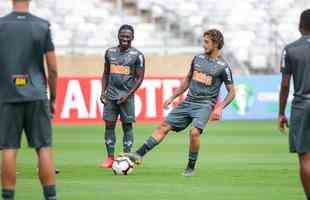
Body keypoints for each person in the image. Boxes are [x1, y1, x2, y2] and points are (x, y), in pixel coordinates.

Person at [126, 29, 235, 176]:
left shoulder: (223, 66)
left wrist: (219, 108)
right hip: (188, 101)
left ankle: (190, 167)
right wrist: (173, 97)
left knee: (194, 132)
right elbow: (188, 79)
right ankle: (138, 154)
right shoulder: (197, 59)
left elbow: (232, 92)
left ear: (216, 44)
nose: (203, 45)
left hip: (205, 104)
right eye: (204, 41)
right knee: (163, 126)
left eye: (206, 42)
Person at [0, 0, 58, 199]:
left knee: (8, 148)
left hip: (7, 95)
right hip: (36, 94)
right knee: (43, 147)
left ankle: (8, 197)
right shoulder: (42, 25)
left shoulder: (1, 26)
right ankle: (50, 197)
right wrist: (53, 99)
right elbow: (53, 69)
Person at [99, 24, 145, 168]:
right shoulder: (110, 52)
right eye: (122, 36)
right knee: (109, 125)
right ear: (118, 36)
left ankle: (126, 157)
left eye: (128, 36)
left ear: (132, 38)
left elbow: (139, 78)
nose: (125, 39)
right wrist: (103, 91)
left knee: (127, 126)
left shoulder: (138, 55)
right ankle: (110, 158)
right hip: (111, 96)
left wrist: (128, 94)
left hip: (127, 97)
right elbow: (106, 73)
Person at [278, 9, 310, 200]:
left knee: (305, 157)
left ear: (300, 26)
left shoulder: (290, 49)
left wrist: (281, 113)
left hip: (302, 106)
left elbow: (284, 84)